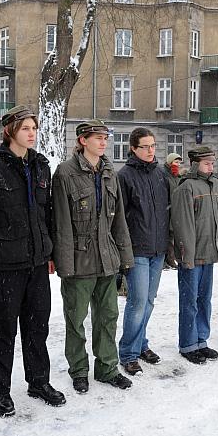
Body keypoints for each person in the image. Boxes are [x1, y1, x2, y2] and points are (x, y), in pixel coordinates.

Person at [0, 105, 65, 416]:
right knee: (4, 329)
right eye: (26, 128)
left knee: (38, 326)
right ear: (11, 131)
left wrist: (49, 254)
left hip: (37, 263)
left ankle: (38, 381)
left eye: (34, 128)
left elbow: (46, 214)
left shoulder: (41, 166)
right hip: (5, 266)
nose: (32, 133)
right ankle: (1, 389)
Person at [53, 120, 134, 393]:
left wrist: (125, 258)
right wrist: (65, 265)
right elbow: (61, 223)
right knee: (76, 320)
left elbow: (119, 220)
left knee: (108, 317)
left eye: (105, 137)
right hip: (79, 260)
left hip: (107, 259)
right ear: (82, 140)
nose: (103, 142)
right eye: (97, 137)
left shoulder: (111, 172)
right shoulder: (65, 173)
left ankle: (107, 368)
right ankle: (79, 370)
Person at [116, 127, 171, 375]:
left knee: (149, 302)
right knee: (137, 303)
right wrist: (123, 250)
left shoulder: (160, 174)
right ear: (133, 149)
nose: (150, 151)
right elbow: (120, 218)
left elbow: (166, 211)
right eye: (145, 147)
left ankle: (140, 344)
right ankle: (128, 352)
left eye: (153, 146)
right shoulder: (124, 176)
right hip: (136, 249)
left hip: (157, 249)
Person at [171, 146, 218, 364]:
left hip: (209, 253)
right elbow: (183, 224)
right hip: (192, 257)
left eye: (212, 163)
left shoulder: (216, 184)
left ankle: (201, 340)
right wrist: (187, 256)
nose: (211, 166)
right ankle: (188, 344)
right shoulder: (186, 187)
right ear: (195, 164)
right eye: (206, 163)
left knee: (204, 300)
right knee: (189, 301)